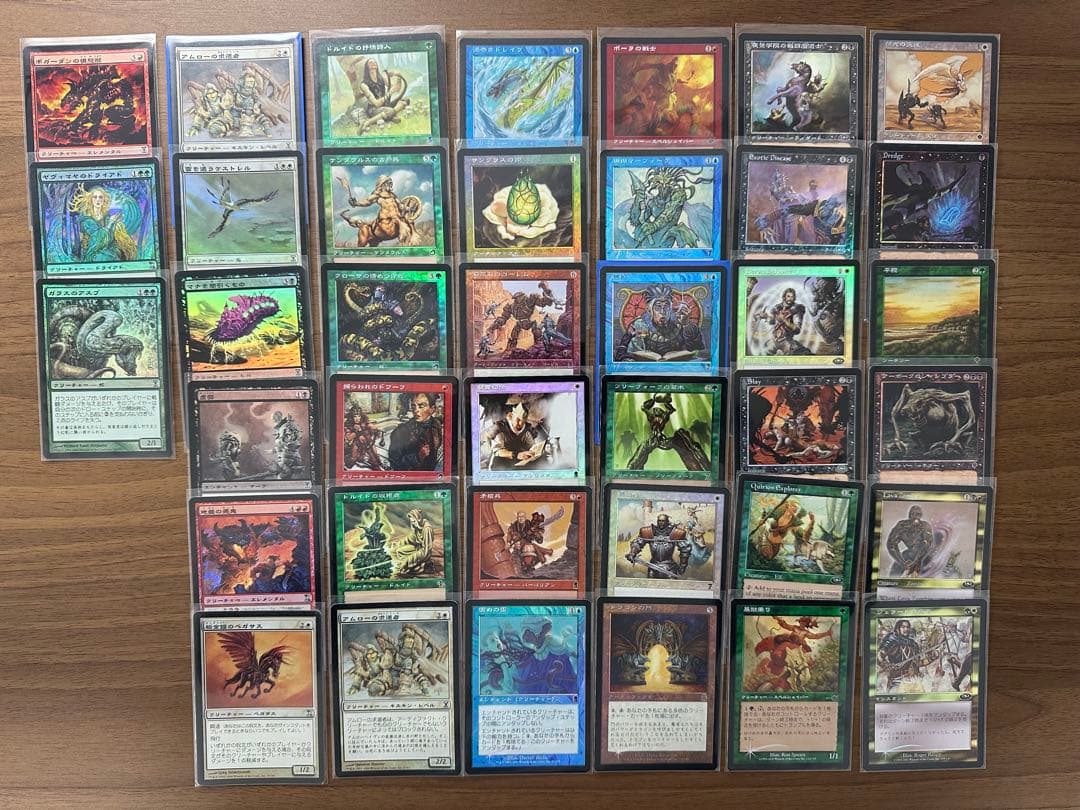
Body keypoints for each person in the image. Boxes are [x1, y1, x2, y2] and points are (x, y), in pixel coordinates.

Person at [387, 392, 442, 471]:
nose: (416, 410)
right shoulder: (400, 432)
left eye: (421, 406)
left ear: (432, 409)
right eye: (413, 406)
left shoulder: (436, 424)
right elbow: (395, 463)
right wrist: (417, 457)